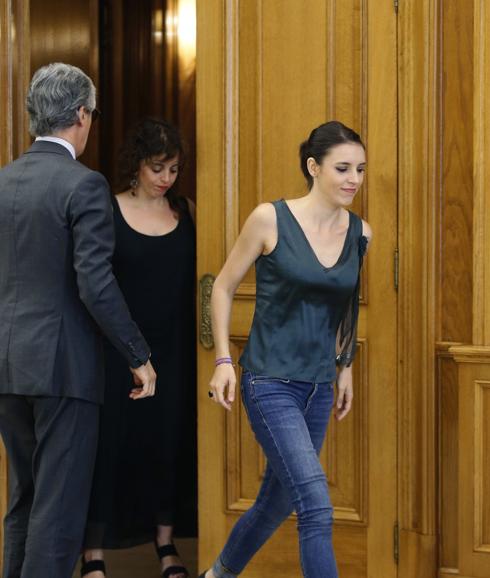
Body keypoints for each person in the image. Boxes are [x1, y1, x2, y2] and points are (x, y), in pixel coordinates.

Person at [0, 63, 157, 578]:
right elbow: (95, 283)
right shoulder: (84, 185)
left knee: (26, 499)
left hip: (8, 366)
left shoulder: (3, 182)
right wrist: (138, 354)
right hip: (63, 369)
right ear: (82, 115)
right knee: (58, 510)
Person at [201, 121, 372, 578]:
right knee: (316, 504)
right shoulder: (269, 219)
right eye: (342, 168)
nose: (354, 179)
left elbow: (345, 307)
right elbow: (222, 287)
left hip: (318, 387)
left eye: (360, 169)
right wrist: (222, 360)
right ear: (313, 167)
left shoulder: (360, 232)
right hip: (270, 382)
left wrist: (346, 366)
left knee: (275, 504)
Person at [81, 118, 197, 578]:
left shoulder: (187, 210)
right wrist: (128, 350)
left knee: (168, 442)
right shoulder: (108, 209)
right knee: (108, 445)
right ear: (136, 164)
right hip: (117, 349)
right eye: (157, 167)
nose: (166, 178)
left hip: (176, 348)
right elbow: (94, 283)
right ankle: (93, 552)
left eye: (174, 168)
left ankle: (166, 543)